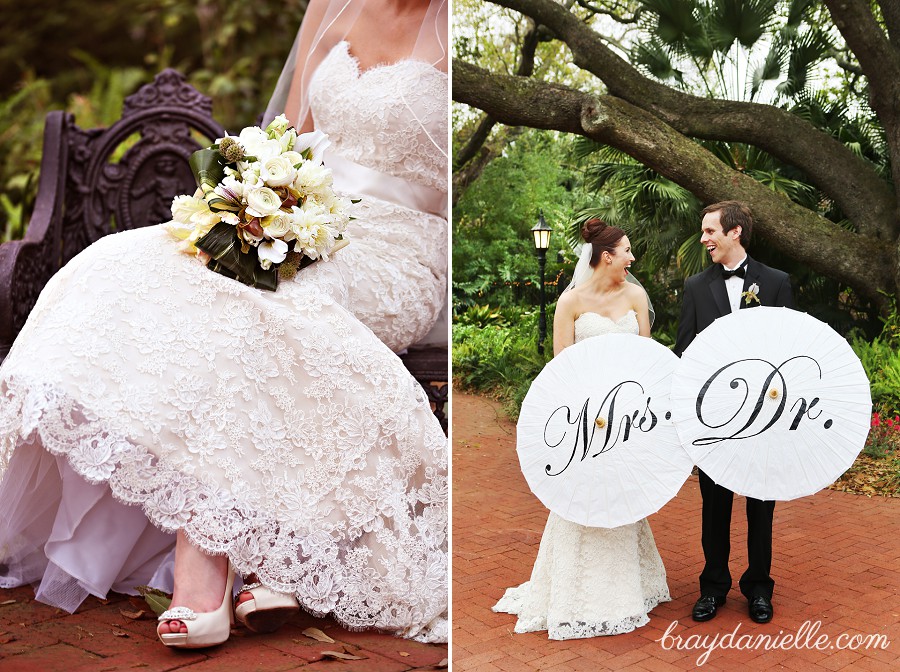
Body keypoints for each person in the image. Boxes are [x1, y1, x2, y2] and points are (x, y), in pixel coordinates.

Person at [0, 0, 448, 648]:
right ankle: (274, 552)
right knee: (127, 260)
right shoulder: (333, 6)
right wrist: (253, 207)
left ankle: (207, 554)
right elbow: (285, 140)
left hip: (396, 246)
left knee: (267, 305)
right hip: (296, 215)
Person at [492, 218, 671, 640]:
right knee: (583, 495)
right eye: (626, 251)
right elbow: (560, 369)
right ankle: (572, 589)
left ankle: (628, 585)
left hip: (628, 418)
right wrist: (583, 414)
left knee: (622, 493)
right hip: (585, 421)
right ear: (606, 256)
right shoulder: (570, 302)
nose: (632, 258)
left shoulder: (636, 296)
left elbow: (648, 357)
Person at [674, 200, 793, 625]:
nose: (704, 238)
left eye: (710, 231)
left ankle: (759, 587)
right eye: (704, 231)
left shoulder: (776, 283)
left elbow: (790, 350)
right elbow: (684, 351)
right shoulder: (694, 287)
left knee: (761, 507)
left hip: (764, 420)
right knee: (714, 506)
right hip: (714, 420)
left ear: (735, 231)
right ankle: (713, 587)